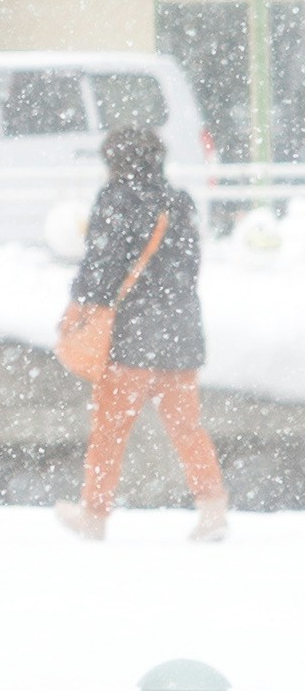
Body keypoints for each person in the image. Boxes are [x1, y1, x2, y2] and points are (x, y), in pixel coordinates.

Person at [58, 113, 226, 546]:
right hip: (180, 331)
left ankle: (94, 516)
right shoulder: (179, 202)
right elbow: (189, 268)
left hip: (130, 337)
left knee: (111, 430)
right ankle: (212, 509)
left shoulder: (115, 200)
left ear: (114, 162)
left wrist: (78, 310)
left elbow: (101, 268)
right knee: (187, 427)